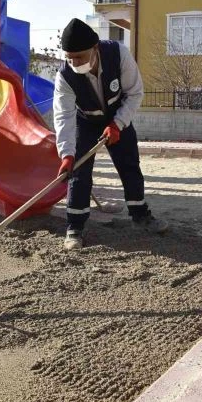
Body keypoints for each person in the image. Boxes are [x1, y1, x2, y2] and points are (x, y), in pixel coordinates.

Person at [53, 18, 168, 250]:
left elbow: (135, 93)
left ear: (94, 48)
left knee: (129, 165)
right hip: (85, 121)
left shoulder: (118, 54)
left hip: (118, 117)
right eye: (70, 57)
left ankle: (140, 215)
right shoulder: (65, 76)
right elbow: (63, 117)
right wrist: (66, 154)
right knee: (78, 172)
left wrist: (117, 124)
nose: (75, 63)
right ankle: (75, 227)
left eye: (80, 57)